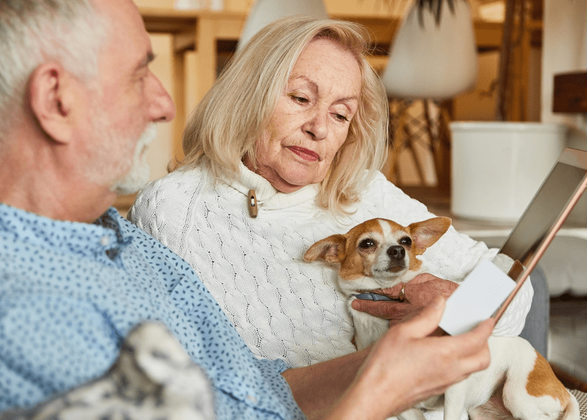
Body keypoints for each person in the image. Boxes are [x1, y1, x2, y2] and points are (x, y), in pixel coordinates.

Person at [0, 1, 496, 419]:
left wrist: (381, 366)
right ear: (55, 100)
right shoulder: (4, 317)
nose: (164, 103)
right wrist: (375, 395)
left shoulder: (113, 239)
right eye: (138, 75)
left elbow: (254, 389)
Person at [128, 16, 534, 419]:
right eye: (301, 99)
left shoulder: (362, 190)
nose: (319, 128)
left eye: (341, 115)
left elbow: (514, 283)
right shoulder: (173, 210)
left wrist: (458, 308)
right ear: (248, 95)